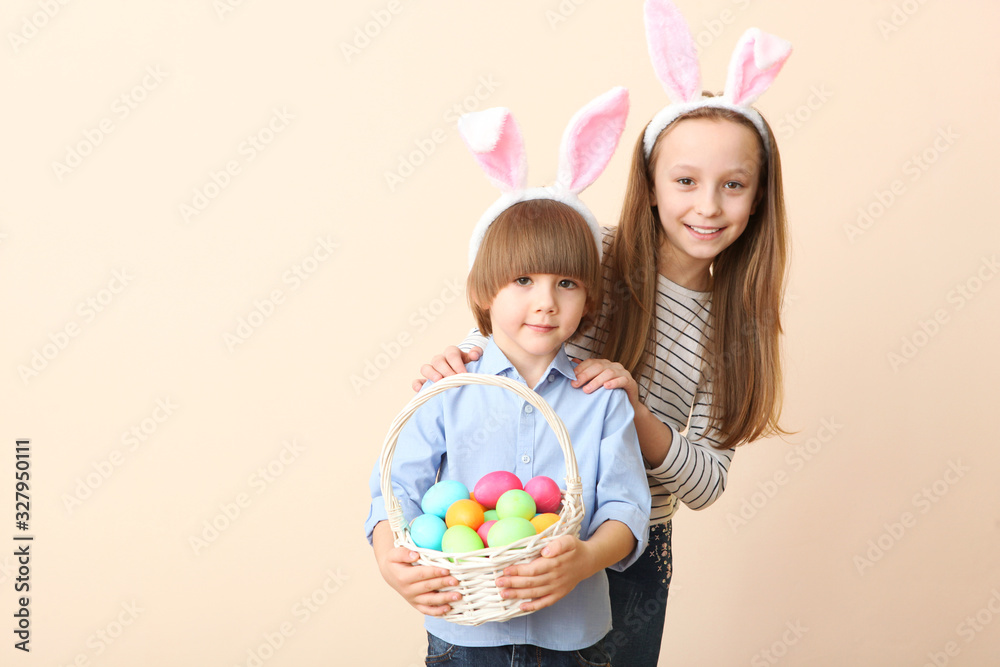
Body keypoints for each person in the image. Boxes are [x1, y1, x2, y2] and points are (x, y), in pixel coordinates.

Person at [414, 3, 793, 664]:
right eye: (685, 181)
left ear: (758, 198)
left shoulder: (739, 320)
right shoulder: (593, 260)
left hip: (630, 550)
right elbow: (517, 314)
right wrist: (464, 354)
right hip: (518, 523)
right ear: (648, 184)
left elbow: (705, 481)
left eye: (733, 186)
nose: (707, 205)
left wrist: (635, 411)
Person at [366, 90, 652, 666]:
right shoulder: (449, 387)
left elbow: (627, 506)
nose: (545, 302)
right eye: (523, 280)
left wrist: (586, 558)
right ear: (484, 290)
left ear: (588, 299)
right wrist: (386, 557)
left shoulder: (600, 398)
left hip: (573, 633)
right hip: (463, 634)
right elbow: (394, 489)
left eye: (567, 284)